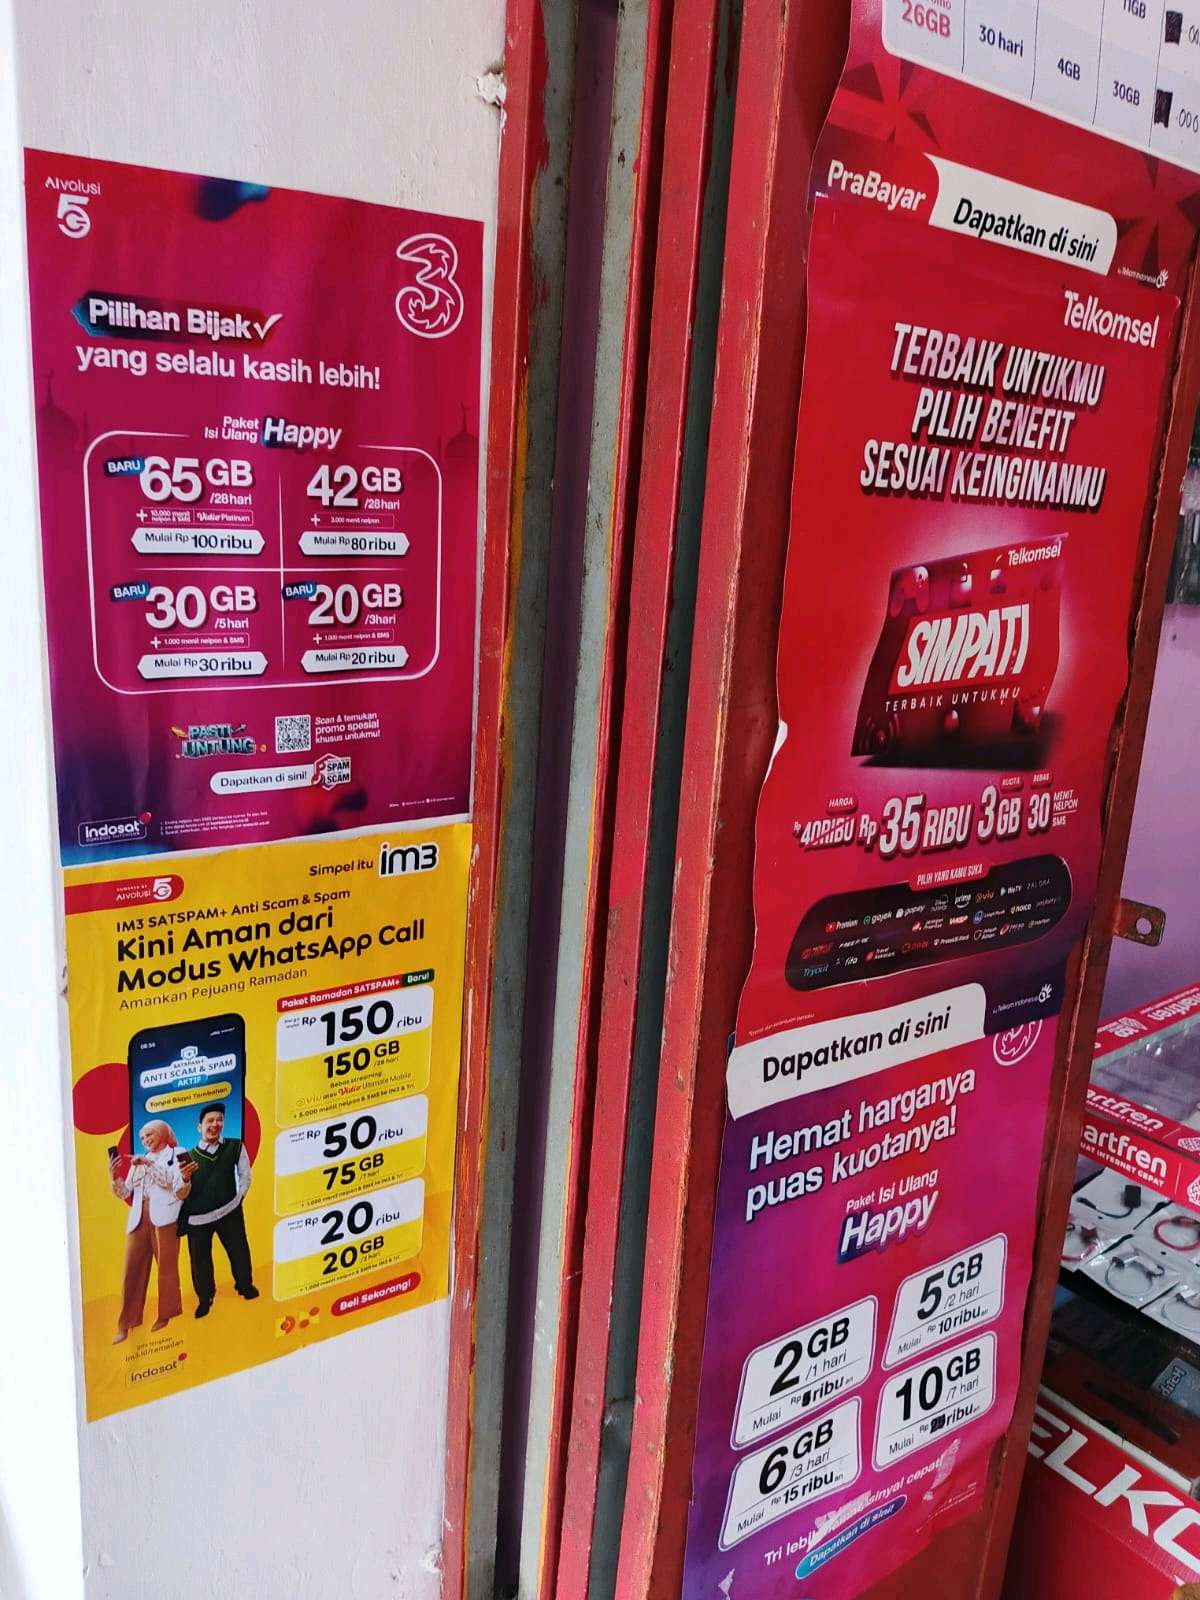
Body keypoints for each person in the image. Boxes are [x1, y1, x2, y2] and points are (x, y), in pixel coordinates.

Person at [110, 1119, 190, 1344]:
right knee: (132, 1270)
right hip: (139, 1217)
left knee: (166, 1267)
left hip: (165, 1217)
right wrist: (114, 1176)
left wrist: (149, 1164)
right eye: (143, 1137)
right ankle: (126, 1324)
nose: (145, 1140)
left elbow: (175, 1185)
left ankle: (166, 1314)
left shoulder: (179, 1153)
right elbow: (125, 1192)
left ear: (163, 1133)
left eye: (149, 1135)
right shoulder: (138, 1160)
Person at [177, 1102, 259, 1317]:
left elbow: (245, 1175)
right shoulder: (187, 1157)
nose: (215, 1124)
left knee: (239, 1250)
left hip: (230, 1211)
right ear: (199, 1127)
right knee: (200, 1261)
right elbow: (181, 1194)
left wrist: (239, 1198)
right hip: (198, 1219)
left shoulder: (235, 1146)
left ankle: (245, 1285)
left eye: (219, 1119)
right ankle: (205, 1299)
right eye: (210, 1121)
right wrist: (185, 1178)